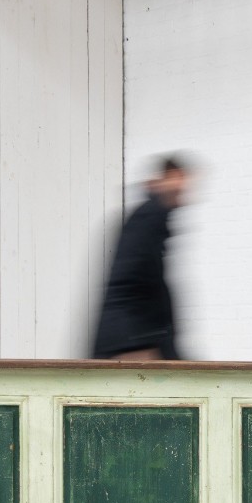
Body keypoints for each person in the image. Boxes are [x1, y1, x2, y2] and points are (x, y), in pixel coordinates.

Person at [92, 154, 195, 361]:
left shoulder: (152, 217)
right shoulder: (148, 216)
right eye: (178, 185)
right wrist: (145, 344)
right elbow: (132, 282)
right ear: (164, 180)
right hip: (131, 343)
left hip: (135, 340)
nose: (182, 194)